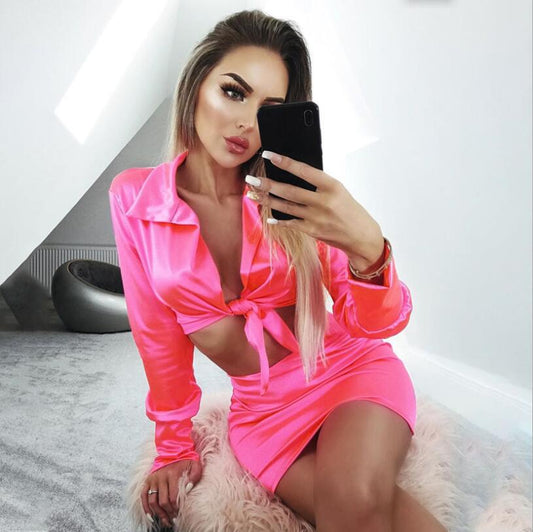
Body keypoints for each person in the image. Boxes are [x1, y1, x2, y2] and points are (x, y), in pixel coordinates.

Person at [109, 9, 447, 532]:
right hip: (263, 417)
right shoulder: (134, 198)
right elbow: (156, 334)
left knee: (353, 496)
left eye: (269, 110)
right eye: (234, 92)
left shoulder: (291, 197)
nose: (248, 123)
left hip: (347, 374)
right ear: (196, 85)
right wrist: (173, 445)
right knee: (366, 514)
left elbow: (378, 323)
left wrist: (368, 247)